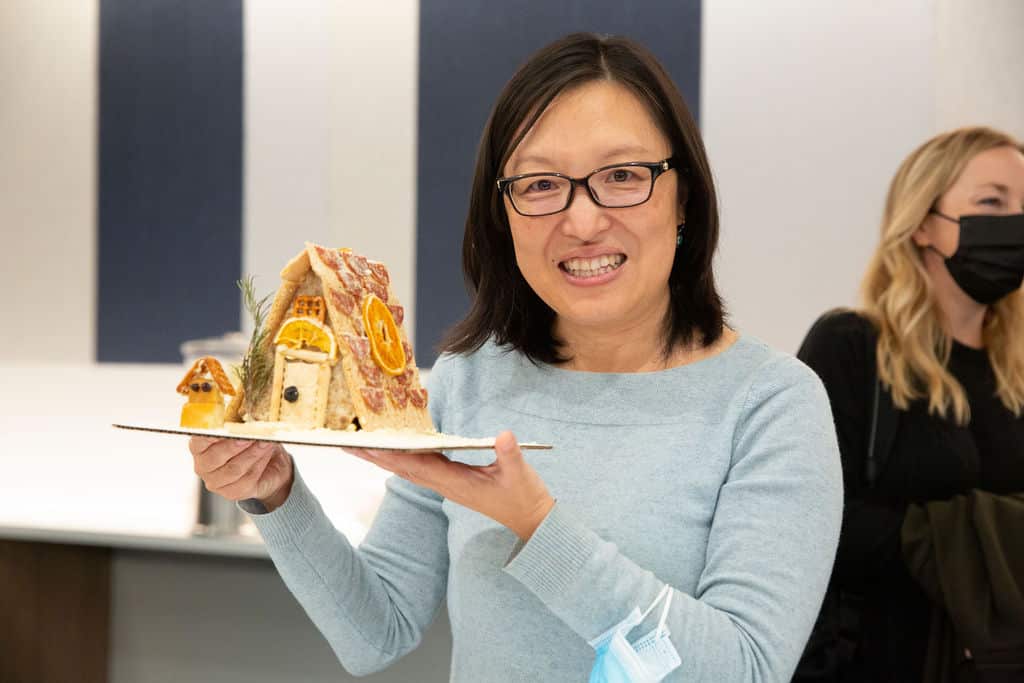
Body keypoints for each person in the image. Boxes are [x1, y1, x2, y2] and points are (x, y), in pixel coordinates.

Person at [190, 33, 842, 682]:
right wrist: (274, 493)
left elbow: (747, 670)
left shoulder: (770, 403)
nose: (582, 221)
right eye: (540, 184)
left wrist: (534, 524)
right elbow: (376, 629)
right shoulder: (467, 382)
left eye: (622, 176)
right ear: (503, 214)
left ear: (684, 199)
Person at [796, 126, 1024, 681]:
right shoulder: (852, 346)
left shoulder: (1015, 371)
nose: (1015, 222)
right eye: (992, 202)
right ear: (923, 223)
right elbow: (806, 522)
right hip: (877, 662)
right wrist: (976, 532)